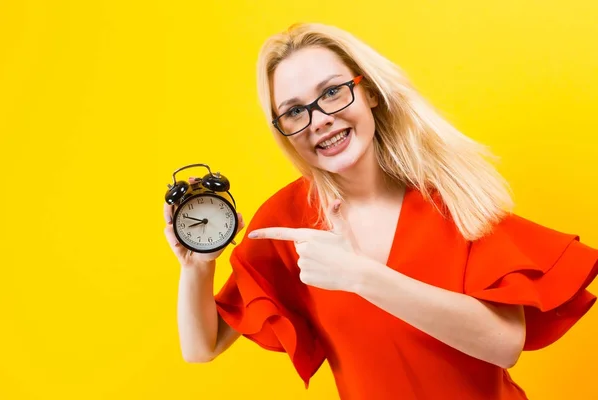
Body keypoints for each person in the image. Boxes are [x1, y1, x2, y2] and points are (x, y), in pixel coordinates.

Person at [163, 22, 598, 400]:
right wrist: (198, 267)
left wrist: (359, 275)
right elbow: (202, 347)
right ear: (284, 130)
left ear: (367, 90)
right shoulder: (287, 221)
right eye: (294, 111)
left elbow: (504, 344)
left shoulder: (452, 195)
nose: (319, 120)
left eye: (332, 92)